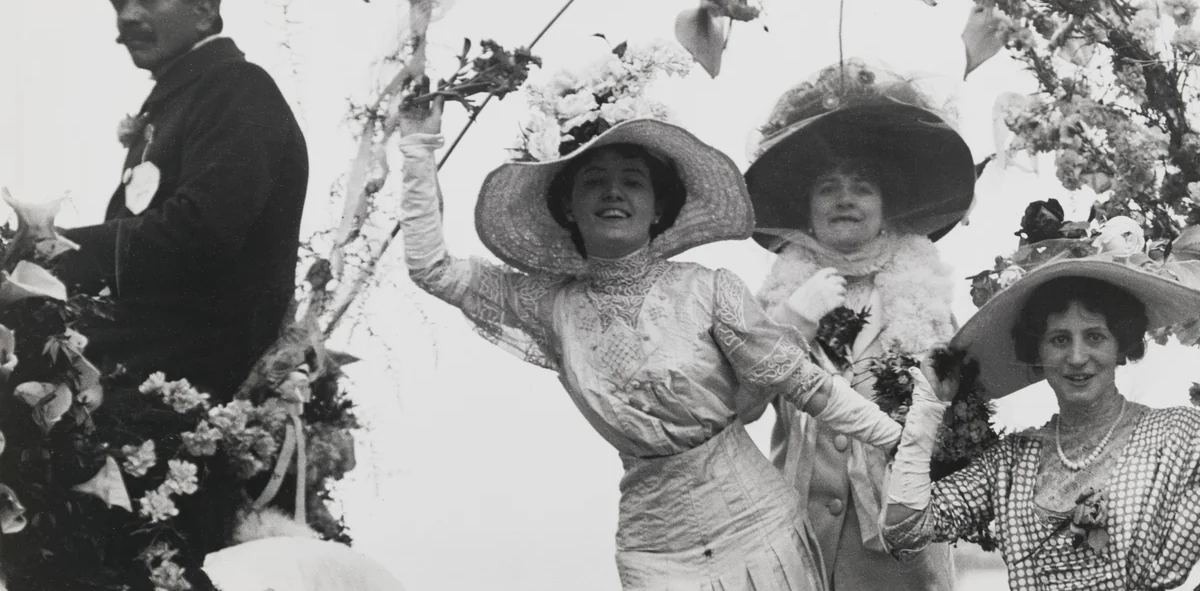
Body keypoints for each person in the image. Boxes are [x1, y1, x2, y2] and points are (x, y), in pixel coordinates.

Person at [397, 87, 904, 591]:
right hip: (654, 550)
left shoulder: (709, 289)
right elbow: (433, 268)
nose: (613, 193)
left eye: (632, 182)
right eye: (593, 181)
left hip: (760, 531)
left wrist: (898, 440)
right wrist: (418, 150)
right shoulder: (550, 307)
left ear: (658, 207)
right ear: (569, 207)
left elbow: (807, 386)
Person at [54, 0, 309, 400]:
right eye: (119, 2)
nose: (127, 16)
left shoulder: (239, 89)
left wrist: (50, 249)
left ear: (204, 7)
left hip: (194, 379)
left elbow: (199, 235)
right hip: (148, 364)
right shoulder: (178, 102)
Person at [742, 62, 976, 591]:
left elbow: (960, 415)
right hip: (797, 540)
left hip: (898, 547)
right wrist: (793, 320)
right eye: (828, 187)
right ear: (807, 206)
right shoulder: (780, 295)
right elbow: (743, 403)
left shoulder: (928, 295)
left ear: (885, 203)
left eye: (862, 187)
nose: (845, 199)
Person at [883, 254, 1200, 590]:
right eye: (1059, 340)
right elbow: (904, 531)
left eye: (1095, 337)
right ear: (1038, 353)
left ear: (1121, 345)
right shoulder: (1010, 463)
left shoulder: (1180, 437)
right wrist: (929, 406)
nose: (1077, 357)